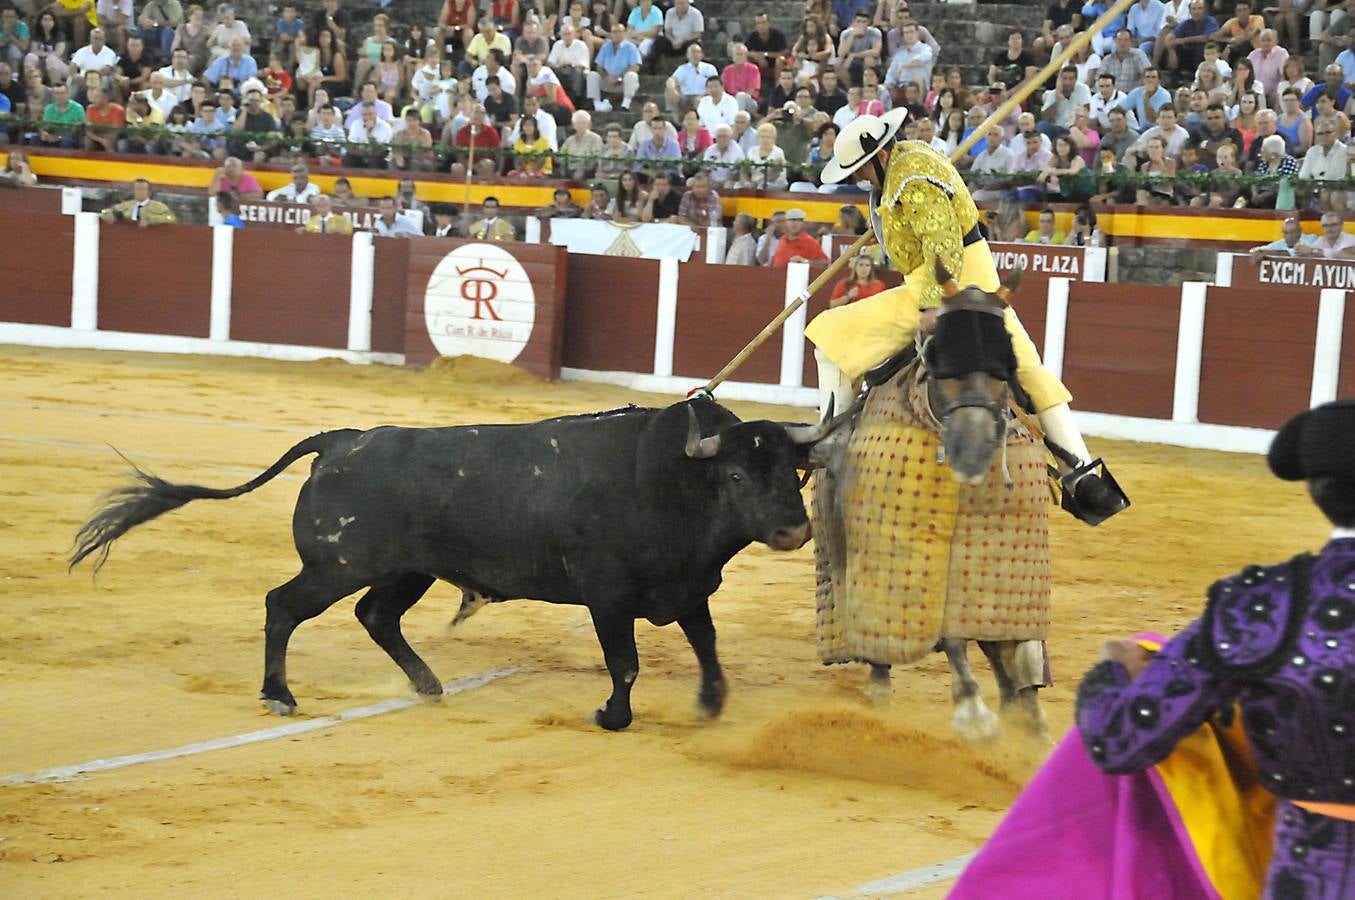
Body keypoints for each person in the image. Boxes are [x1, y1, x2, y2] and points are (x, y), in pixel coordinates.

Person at [1074, 399, 1355, 899]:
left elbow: (1120, 738)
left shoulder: (1263, 607)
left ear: (1313, 491)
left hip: (1316, 875)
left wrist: (1113, 672)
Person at [805, 110, 1117, 521]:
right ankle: (1082, 471)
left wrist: (934, 303)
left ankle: (832, 439)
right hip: (976, 275)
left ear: (878, 157)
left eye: (862, 168)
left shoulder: (910, 177)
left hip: (942, 280)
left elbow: (941, 240)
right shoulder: (908, 163)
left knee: (830, 338)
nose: (861, 177)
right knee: (1026, 363)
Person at [100, 177, 176, 225]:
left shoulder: (159, 206)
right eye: (137, 189)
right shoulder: (126, 205)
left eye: (143, 189)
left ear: (148, 191)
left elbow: (171, 218)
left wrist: (151, 219)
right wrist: (107, 214)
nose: (140, 192)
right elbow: (105, 211)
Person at [1249, 216, 1316, 256]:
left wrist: (1265, 252)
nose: (1288, 236)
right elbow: (1261, 249)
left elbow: (1291, 253)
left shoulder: (1311, 239)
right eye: (1285, 233)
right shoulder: (1282, 242)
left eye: (1292, 232)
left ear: (1299, 231)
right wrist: (1256, 251)